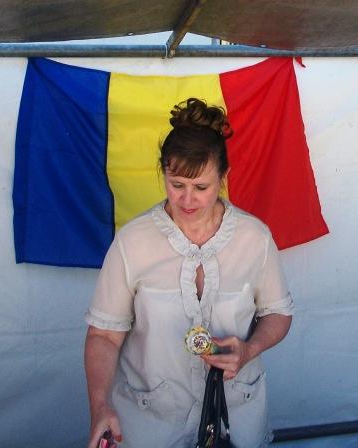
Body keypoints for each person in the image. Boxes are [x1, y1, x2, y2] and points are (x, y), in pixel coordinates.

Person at [84, 98, 294, 448]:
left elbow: (278, 313)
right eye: (176, 184)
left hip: (236, 418)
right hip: (150, 424)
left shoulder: (254, 237)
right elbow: (104, 335)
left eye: (201, 187)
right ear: (163, 172)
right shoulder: (132, 242)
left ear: (223, 178)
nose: (187, 200)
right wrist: (100, 406)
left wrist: (249, 349)